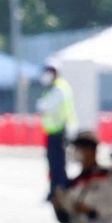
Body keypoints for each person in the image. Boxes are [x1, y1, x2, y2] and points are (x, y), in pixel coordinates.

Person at [35, 64, 77, 199]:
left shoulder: (59, 88)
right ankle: (56, 190)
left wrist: (42, 105)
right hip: (53, 131)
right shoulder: (54, 88)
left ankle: (59, 190)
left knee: (57, 163)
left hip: (59, 131)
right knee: (54, 163)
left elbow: (44, 106)